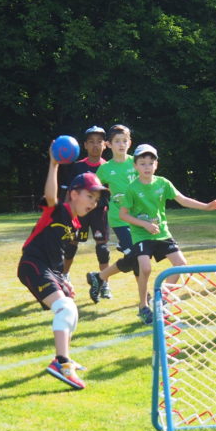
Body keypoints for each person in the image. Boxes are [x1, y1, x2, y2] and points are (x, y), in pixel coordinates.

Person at [104, 144, 216, 325]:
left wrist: (207, 206)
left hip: (162, 233)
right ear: (135, 166)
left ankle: (162, 300)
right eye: (142, 163)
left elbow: (183, 199)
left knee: (181, 264)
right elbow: (123, 215)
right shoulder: (132, 188)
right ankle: (143, 306)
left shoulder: (163, 183)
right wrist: (144, 224)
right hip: (141, 235)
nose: (147, 167)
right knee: (145, 268)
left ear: (156, 165)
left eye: (150, 163)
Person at [16, 154, 109, 390]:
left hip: (49, 269)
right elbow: (50, 195)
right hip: (33, 265)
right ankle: (61, 363)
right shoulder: (58, 211)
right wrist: (54, 164)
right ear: (74, 194)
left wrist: (63, 280)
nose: (93, 202)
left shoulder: (76, 224)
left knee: (72, 311)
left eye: (96, 199)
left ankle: (63, 357)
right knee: (65, 309)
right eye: (90, 196)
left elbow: (58, 254)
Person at [91, 124, 139, 301]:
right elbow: (94, 191)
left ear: (130, 143)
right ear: (109, 144)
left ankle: (99, 277)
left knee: (136, 257)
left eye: (124, 141)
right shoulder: (104, 169)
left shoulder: (137, 163)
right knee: (137, 257)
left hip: (139, 220)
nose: (121, 144)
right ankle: (145, 298)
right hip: (119, 220)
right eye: (117, 141)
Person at [59, 126, 110, 289]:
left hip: (100, 212)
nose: (95, 145)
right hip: (80, 213)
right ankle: (63, 276)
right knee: (70, 245)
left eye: (99, 142)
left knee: (102, 248)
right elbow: (69, 191)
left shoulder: (109, 168)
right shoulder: (77, 167)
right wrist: (66, 213)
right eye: (91, 142)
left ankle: (104, 283)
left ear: (105, 145)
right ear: (85, 145)